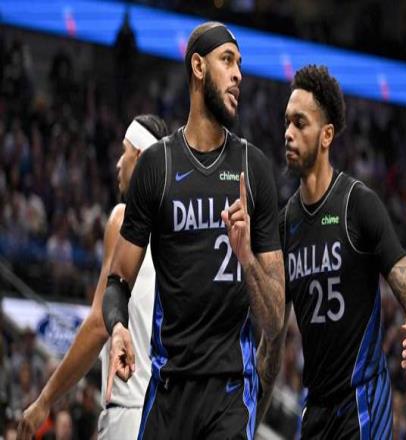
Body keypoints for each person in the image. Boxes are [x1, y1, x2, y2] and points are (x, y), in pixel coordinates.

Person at [102, 22, 285, 440]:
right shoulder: (158, 166)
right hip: (169, 389)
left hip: (230, 392)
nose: (238, 74)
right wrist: (117, 328)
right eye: (227, 61)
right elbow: (117, 282)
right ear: (198, 67)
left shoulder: (254, 168)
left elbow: (275, 320)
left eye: (240, 64)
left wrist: (246, 257)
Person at [279, 65, 406, 439]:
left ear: (327, 135)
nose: (287, 133)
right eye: (286, 122)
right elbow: (272, 338)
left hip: (362, 401)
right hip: (315, 407)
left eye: (300, 123)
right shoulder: (285, 224)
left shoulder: (358, 204)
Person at [17, 114, 168, 440]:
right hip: (170, 416)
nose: (118, 163)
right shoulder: (178, 231)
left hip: (130, 414)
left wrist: (45, 400)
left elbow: (100, 322)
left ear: (141, 157)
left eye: (124, 151)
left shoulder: (123, 218)